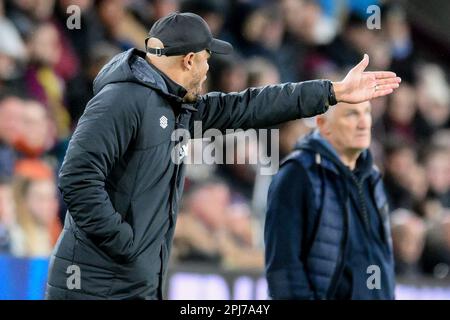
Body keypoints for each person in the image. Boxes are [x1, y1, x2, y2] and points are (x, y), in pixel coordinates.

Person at [46, 12, 401, 300]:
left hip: (135, 285)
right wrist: (124, 244)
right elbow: (77, 178)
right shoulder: (121, 100)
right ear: (188, 60)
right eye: (206, 59)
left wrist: (332, 91)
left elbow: (250, 106)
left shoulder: (177, 105)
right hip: (93, 288)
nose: (208, 70)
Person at [265, 101, 396, 299]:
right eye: (351, 114)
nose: (363, 123)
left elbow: (377, 259)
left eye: (367, 112)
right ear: (323, 124)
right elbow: (284, 268)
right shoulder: (297, 174)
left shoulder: (372, 177)